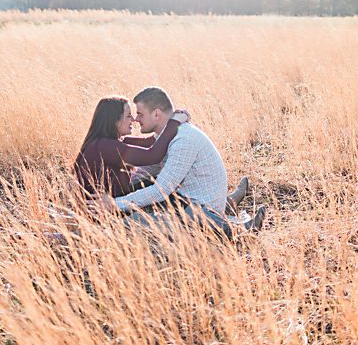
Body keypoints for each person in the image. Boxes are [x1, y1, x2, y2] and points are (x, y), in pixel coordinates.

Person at [87, 87, 265, 238]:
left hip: (197, 206)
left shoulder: (183, 140)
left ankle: (238, 230)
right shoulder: (167, 136)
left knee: (137, 222)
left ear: (156, 114)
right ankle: (227, 205)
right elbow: (149, 165)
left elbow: (160, 190)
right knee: (144, 192)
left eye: (140, 114)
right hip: (189, 198)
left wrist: (115, 203)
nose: (136, 120)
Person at [73, 96, 189, 198]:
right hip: (102, 215)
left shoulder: (108, 142)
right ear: (115, 121)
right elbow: (152, 156)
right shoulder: (105, 147)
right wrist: (174, 123)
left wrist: (166, 120)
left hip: (112, 206)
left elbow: (149, 142)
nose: (133, 120)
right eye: (128, 116)